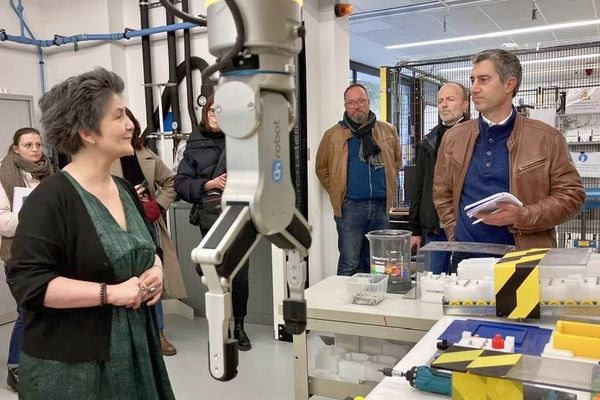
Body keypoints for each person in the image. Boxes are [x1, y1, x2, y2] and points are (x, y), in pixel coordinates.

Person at [6, 67, 175, 399]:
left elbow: (146, 249)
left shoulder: (126, 190)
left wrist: (155, 270)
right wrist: (110, 294)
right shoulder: (51, 199)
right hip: (74, 368)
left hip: (135, 352)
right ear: (87, 132)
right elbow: (30, 284)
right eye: (118, 116)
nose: (130, 124)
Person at [433, 49, 585, 264]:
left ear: (509, 84)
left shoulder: (547, 137)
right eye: (473, 80)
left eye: (484, 80)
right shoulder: (454, 137)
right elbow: (442, 193)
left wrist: (521, 216)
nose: (474, 88)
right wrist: (455, 233)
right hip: (466, 258)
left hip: (524, 258)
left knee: (520, 300)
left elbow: (572, 196)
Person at [175, 96, 252, 351]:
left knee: (240, 275)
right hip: (210, 215)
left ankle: (239, 326)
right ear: (205, 113)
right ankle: (222, 327)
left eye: (220, 111)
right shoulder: (193, 144)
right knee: (217, 276)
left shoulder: (242, 140)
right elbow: (181, 184)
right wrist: (210, 184)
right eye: (211, 111)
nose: (215, 116)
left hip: (240, 213)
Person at [111, 108, 188, 356]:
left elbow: (171, 181)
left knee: (153, 278)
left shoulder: (146, 154)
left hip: (147, 224)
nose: (127, 127)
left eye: (131, 122)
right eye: (121, 122)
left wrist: (158, 205)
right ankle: (130, 338)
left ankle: (158, 333)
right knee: (123, 280)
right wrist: (126, 195)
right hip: (117, 227)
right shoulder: (105, 158)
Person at [316, 83, 402, 276]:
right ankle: (345, 306)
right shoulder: (333, 135)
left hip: (381, 208)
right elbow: (322, 169)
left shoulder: (387, 131)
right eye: (351, 103)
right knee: (350, 262)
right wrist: (339, 192)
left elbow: (396, 162)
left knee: (379, 264)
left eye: (360, 101)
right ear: (345, 106)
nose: (356, 106)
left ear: (368, 102)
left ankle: (375, 304)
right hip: (350, 208)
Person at [0, 127, 52, 392]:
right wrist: (32, 212)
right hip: (18, 256)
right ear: (15, 148)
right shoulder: (3, 175)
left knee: (49, 310)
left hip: (50, 253)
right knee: (26, 310)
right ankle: (15, 368)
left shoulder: (51, 175)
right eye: (28, 145)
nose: (35, 150)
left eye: (38, 145)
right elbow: (4, 224)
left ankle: (43, 364)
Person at [409, 83, 469, 274]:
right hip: (434, 227)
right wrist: (415, 230)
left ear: (465, 105)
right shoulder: (429, 141)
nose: (444, 105)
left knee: (465, 281)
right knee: (433, 282)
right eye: (440, 101)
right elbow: (418, 187)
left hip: (465, 227)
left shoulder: (478, 137)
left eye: (450, 99)